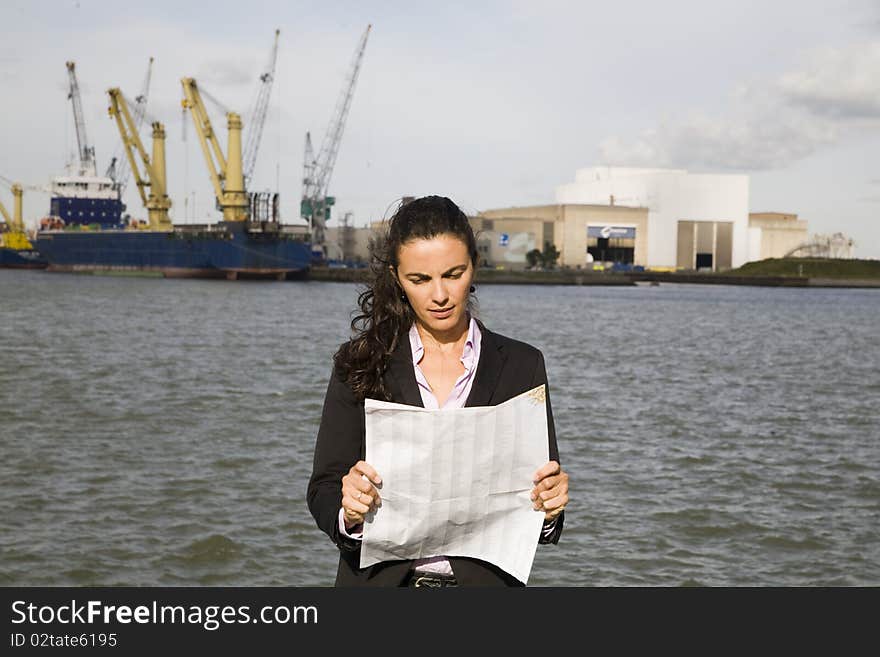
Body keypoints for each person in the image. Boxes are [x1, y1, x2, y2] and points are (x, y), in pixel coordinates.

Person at [307, 195, 569, 587]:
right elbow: (323, 487)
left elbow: (540, 505)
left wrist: (550, 508)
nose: (440, 295)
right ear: (397, 277)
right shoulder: (359, 362)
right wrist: (349, 513)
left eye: (453, 273)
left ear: (474, 267)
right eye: (420, 280)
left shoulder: (523, 364)